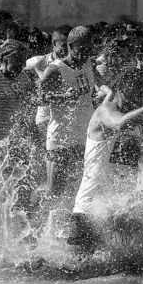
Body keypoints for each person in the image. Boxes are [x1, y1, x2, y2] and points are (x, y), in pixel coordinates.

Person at [67, 73, 143, 251]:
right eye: (131, 96)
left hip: (116, 210)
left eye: (138, 97)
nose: (134, 102)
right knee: (80, 274)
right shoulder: (104, 110)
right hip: (89, 211)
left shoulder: (134, 125)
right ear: (117, 91)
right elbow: (119, 123)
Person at [38, 26, 98, 205]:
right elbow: (38, 98)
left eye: (90, 48)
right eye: (83, 48)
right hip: (61, 138)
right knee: (54, 191)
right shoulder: (55, 69)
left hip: (84, 136)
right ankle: (38, 219)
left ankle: (69, 229)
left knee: (78, 189)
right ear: (71, 46)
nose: (87, 52)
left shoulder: (89, 63)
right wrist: (62, 96)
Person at [0, 39, 34, 143]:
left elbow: (32, 100)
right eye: (18, 61)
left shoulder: (23, 77)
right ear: (5, 58)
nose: (22, 65)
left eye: (24, 61)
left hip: (11, 137)